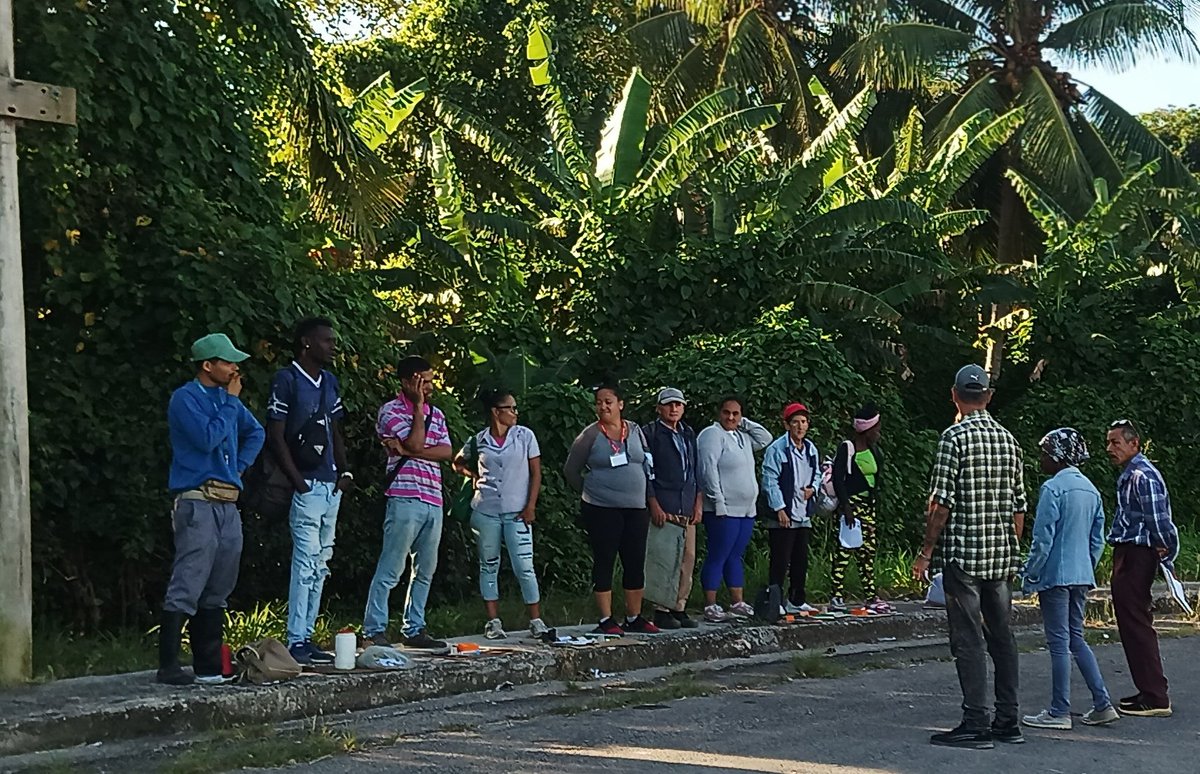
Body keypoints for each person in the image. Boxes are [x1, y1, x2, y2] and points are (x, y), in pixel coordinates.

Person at [914, 364, 1026, 749]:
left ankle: (976, 722)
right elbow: (1019, 508)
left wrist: (926, 551)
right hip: (1001, 559)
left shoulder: (954, 438)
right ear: (989, 396)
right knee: (1003, 638)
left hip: (964, 557)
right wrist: (1011, 549)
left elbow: (940, 503)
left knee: (968, 640)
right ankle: (1008, 720)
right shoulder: (1010, 441)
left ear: (954, 395)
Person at [158, 333, 265, 686]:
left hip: (228, 502)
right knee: (189, 579)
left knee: (221, 581)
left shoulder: (227, 398)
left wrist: (239, 468)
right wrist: (231, 403)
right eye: (228, 362)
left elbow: (257, 433)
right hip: (197, 500)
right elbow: (206, 438)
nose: (236, 369)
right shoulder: (185, 399)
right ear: (208, 365)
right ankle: (169, 664)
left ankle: (207, 665)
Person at [1021, 428, 1119, 729]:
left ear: (1057, 456)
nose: (1041, 459)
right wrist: (1086, 566)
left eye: (1044, 453)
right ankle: (1102, 702)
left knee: (1059, 642)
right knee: (1077, 638)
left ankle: (1059, 710)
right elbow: (1097, 539)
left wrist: (1031, 574)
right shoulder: (1090, 490)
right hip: (1081, 575)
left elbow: (1043, 540)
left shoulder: (1053, 489)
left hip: (1055, 576)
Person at [267, 317, 352, 665]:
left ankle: (308, 634)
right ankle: (296, 638)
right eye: (326, 341)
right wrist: (297, 481)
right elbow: (275, 434)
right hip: (307, 484)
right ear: (306, 342)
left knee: (321, 562)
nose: (333, 346)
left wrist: (344, 471)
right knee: (304, 561)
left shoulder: (329, 381)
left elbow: (335, 428)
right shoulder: (286, 380)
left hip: (331, 484)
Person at [362, 356, 453, 650]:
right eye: (422, 381)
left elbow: (446, 452)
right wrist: (415, 409)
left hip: (433, 497)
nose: (428, 387)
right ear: (406, 382)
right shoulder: (390, 411)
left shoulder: (437, 414)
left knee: (425, 569)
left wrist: (413, 451)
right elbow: (416, 442)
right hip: (403, 497)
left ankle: (414, 629)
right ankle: (374, 629)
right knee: (391, 567)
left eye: (429, 380)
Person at [452, 388, 550, 640]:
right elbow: (457, 461)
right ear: (497, 412)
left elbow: (536, 473)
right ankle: (493, 621)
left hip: (517, 511)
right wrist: (472, 476)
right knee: (489, 564)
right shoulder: (479, 439)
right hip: (486, 510)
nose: (515, 413)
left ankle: (536, 620)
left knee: (524, 566)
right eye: (511, 408)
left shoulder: (525, 436)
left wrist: (531, 505)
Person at [563, 383, 660, 635]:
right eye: (599, 402)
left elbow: (646, 465)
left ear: (620, 404)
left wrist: (650, 499)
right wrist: (591, 491)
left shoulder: (636, 431)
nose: (603, 406)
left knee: (635, 561)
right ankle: (606, 619)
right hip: (602, 508)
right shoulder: (590, 435)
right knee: (605, 559)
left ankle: (634, 616)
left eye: (608, 401)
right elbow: (571, 470)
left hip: (636, 508)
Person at [1105, 418, 1178, 717]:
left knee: (1136, 624)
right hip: (1130, 551)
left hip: (1138, 553)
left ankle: (1155, 695)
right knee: (1132, 623)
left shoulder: (1142, 475)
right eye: (1108, 442)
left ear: (1134, 444)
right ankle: (1148, 689)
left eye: (1116, 442)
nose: (1110, 448)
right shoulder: (1131, 474)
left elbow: (1158, 519)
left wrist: (1165, 547)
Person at [696, 396, 772, 622]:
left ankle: (737, 601)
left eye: (735, 413)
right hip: (723, 509)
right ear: (719, 413)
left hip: (745, 510)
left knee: (735, 555)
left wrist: (743, 423)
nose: (730, 417)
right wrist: (717, 501)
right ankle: (710, 604)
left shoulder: (743, 437)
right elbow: (708, 469)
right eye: (726, 413)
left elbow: (765, 438)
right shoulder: (712, 435)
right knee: (718, 554)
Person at [642, 387, 703, 630]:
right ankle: (660, 608)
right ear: (659, 408)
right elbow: (646, 472)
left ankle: (680, 605)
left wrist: (698, 501)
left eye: (678, 404)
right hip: (665, 505)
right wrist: (653, 502)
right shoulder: (651, 433)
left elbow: (696, 470)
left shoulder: (688, 433)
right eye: (669, 405)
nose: (674, 409)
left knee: (687, 558)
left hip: (686, 504)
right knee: (664, 558)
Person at [760, 402, 820, 615]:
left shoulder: (811, 449)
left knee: (800, 559)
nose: (800, 427)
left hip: (803, 512)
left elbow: (818, 474)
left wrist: (813, 488)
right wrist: (779, 508)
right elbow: (769, 480)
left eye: (803, 422)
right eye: (795, 422)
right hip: (784, 513)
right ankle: (775, 601)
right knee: (780, 559)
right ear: (787, 425)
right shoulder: (777, 449)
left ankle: (797, 599)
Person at [830, 405, 886, 612]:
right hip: (851, 507)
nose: (878, 433)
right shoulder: (848, 447)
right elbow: (838, 478)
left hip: (868, 507)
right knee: (845, 550)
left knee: (867, 552)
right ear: (867, 429)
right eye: (876, 428)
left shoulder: (874, 450)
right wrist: (846, 507)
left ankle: (870, 595)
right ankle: (836, 595)